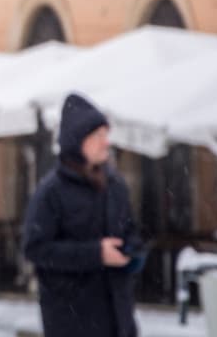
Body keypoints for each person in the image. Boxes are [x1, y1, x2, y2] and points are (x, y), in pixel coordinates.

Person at [23, 93, 142, 337]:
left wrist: (133, 253)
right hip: (73, 320)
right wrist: (95, 254)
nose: (106, 142)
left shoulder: (115, 185)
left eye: (106, 135)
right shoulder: (51, 192)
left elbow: (132, 232)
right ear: (78, 141)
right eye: (97, 136)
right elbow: (35, 248)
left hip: (118, 319)